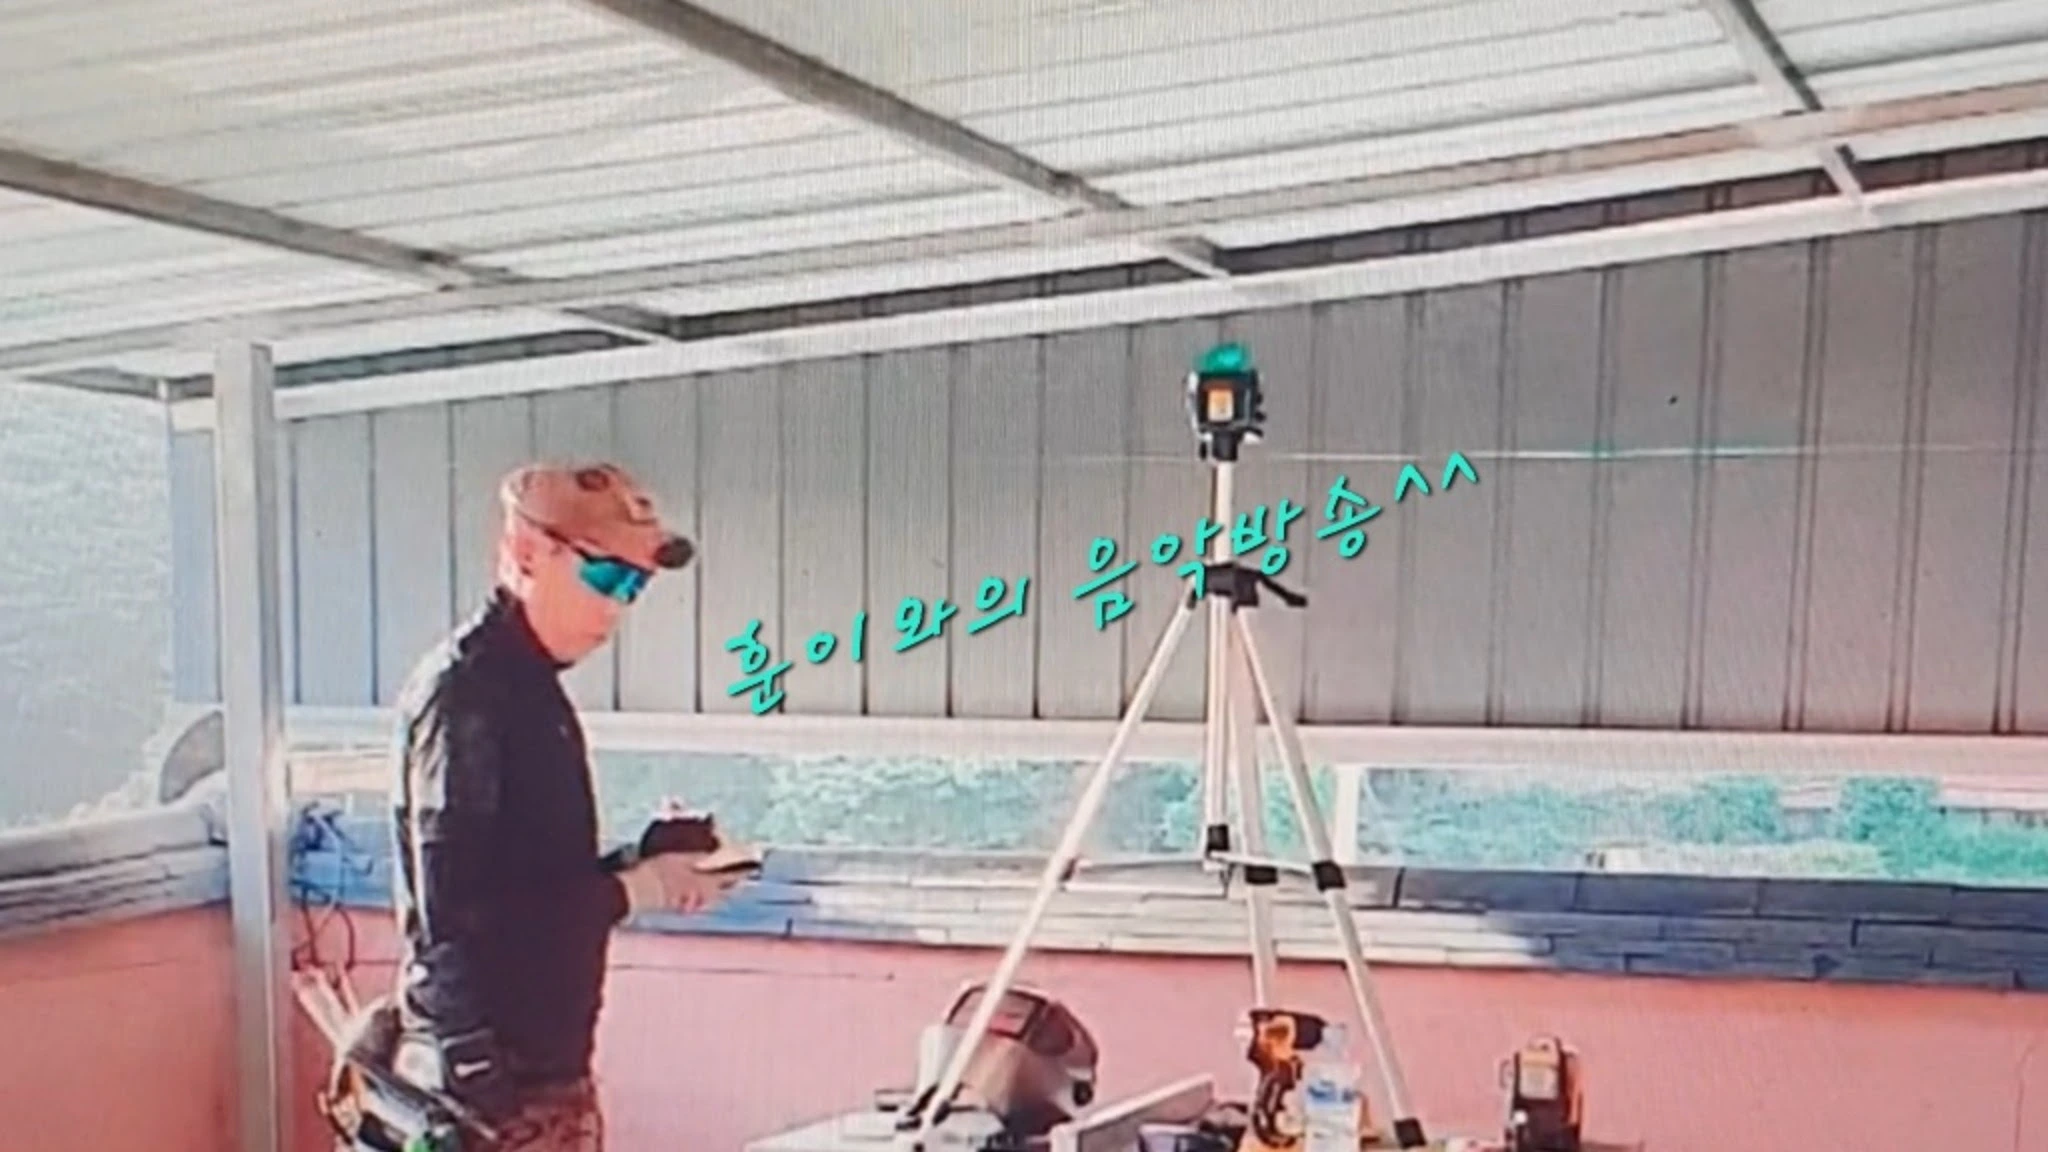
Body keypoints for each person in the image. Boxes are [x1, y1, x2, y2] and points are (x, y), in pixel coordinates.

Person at [386, 461, 729, 1152]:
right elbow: (455, 918)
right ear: (524, 554)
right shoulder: (466, 694)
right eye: (605, 576)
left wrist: (641, 860)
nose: (618, 607)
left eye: (635, 586)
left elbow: (531, 884)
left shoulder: (532, 688)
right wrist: (635, 889)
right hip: (485, 1090)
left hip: (538, 1079)